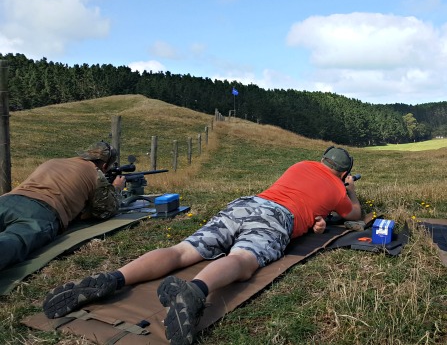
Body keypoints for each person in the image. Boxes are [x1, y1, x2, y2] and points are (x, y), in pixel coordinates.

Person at [43, 146, 363, 345]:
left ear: (321, 159)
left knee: (183, 250)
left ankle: (114, 279)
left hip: (247, 203)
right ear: (344, 172)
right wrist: (348, 190)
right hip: (277, 217)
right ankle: (195, 290)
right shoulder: (337, 187)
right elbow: (355, 215)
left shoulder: (300, 165)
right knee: (244, 258)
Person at [0, 141, 125, 271]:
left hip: (8, 200)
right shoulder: (96, 174)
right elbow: (105, 210)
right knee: (16, 240)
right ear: (105, 166)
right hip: (41, 210)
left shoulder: (53, 161)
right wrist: (116, 188)